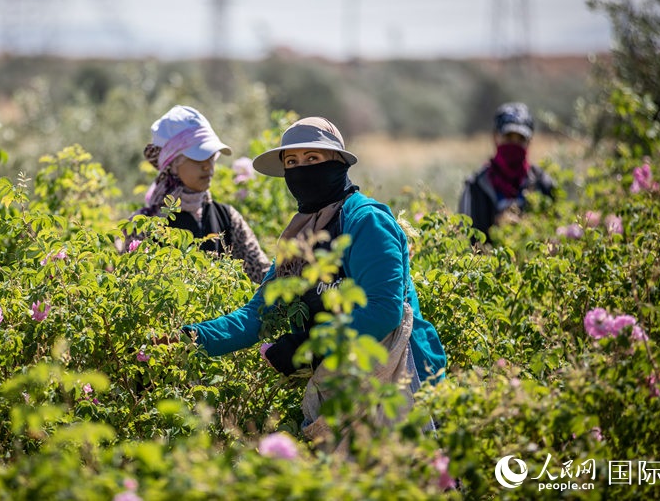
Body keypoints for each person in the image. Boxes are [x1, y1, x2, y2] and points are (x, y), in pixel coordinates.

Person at [161, 116, 446, 441]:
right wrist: (191, 338)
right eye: (292, 162)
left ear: (337, 162)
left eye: (313, 159)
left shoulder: (365, 221)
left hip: (401, 376)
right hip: (346, 380)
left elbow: (383, 312)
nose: (302, 170)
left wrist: (309, 346)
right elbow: (256, 316)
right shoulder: (301, 238)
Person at [130, 105, 271, 284]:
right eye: (198, 157)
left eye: (211, 156)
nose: (208, 166)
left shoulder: (228, 218)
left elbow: (263, 275)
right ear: (173, 163)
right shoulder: (145, 224)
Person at [458, 102, 556, 244]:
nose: (514, 144)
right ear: (495, 137)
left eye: (520, 139)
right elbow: (466, 241)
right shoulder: (475, 186)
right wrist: (496, 229)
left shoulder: (543, 183)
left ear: (529, 141)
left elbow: (554, 235)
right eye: (509, 137)